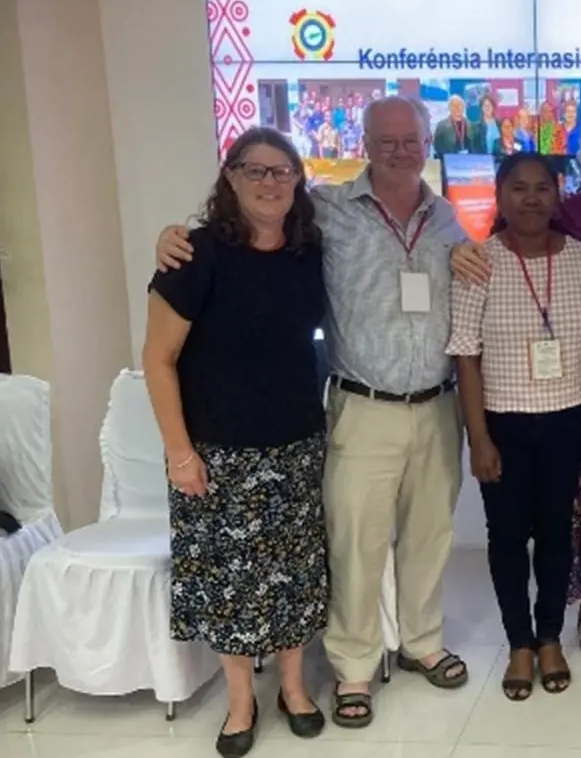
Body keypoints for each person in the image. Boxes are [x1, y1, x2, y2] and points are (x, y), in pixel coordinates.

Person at [154, 97, 470, 729]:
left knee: (430, 533)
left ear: (427, 145)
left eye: (411, 140)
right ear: (366, 143)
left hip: (437, 404)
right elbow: (245, 228)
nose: (400, 151)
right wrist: (170, 236)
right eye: (387, 141)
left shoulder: (448, 220)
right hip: (363, 405)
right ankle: (354, 668)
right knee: (355, 541)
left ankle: (421, 643)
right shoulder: (325, 212)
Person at [142, 127, 327, 756]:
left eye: (282, 172)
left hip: (297, 442)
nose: (270, 183)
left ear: (299, 180)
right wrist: (179, 453)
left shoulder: (309, 250)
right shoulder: (194, 255)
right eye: (256, 171)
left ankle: (295, 688)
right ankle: (241, 701)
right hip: (217, 452)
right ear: (231, 177)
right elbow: (158, 359)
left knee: (294, 572)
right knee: (230, 584)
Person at [452, 115, 581, 660]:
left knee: (578, 523)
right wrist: (479, 437)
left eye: (542, 187)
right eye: (518, 189)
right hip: (512, 414)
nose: (531, 198)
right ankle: (533, 636)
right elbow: (466, 354)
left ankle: (577, 625)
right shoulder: (503, 252)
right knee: (522, 532)